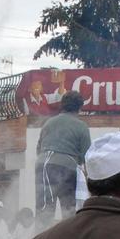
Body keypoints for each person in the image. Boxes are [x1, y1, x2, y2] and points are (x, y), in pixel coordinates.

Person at [35, 91, 91, 226]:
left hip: (44, 165)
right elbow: (87, 158)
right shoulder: (81, 126)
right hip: (69, 167)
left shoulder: (49, 123)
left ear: (62, 105)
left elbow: (39, 149)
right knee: (69, 210)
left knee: (44, 209)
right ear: (79, 108)